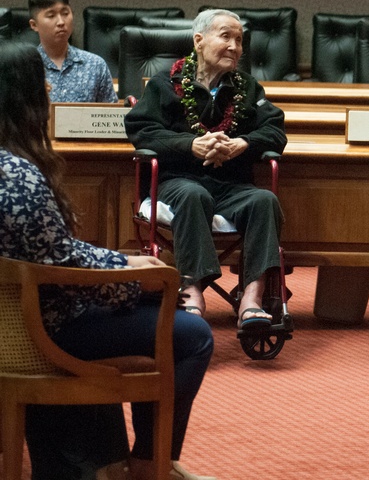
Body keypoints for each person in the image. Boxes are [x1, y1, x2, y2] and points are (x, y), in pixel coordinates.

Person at [0, 41, 214, 480]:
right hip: (43, 327)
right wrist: (130, 273)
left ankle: (124, 460)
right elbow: (59, 268)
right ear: (26, 98)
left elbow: (49, 253)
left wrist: (119, 264)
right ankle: (149, 463)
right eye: (40, 84)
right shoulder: (18, 174)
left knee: (151, 299)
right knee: (191, 333)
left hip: (21, 316)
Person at [125, 9, 287, 328]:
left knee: (264, 201)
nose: (234, 46)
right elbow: (142, 130)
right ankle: (192, 290)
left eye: (239, 40)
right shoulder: (164, 85)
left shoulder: (247, 87)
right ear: (199, 41)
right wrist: (190, 145)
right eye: (225, 36)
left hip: (232, 185)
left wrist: (243, 144)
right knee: (193, 194)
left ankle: (251, 300)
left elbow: (275, 130)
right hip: (179, 180)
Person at [28, 0, 118, 103]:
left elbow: (110, 118)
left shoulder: (95, 66)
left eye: (65, 13)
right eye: (51, 15)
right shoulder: (25, 67)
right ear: (34, 25)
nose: (61, 22)